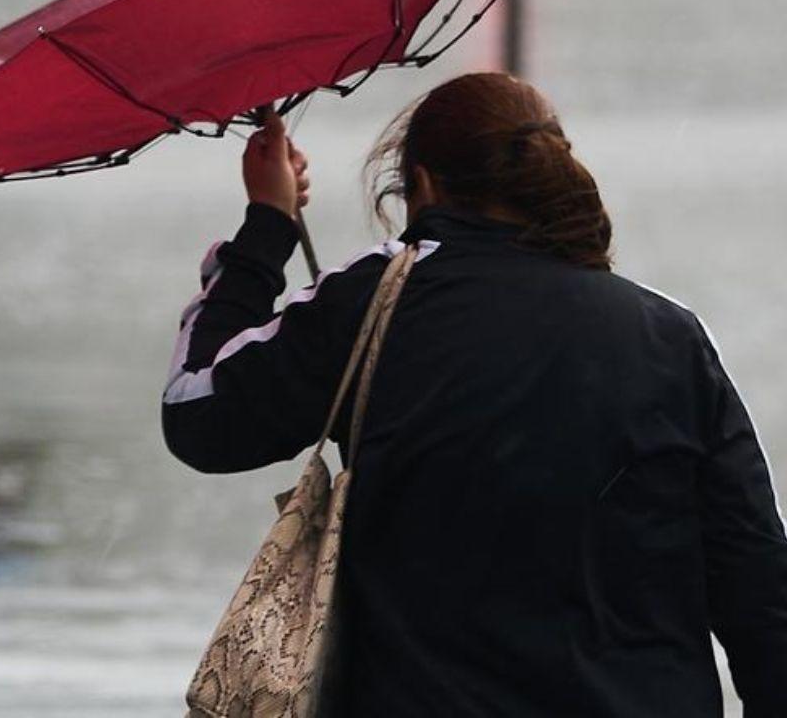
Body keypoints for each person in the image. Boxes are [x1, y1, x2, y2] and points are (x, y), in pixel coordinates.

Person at [163, 72, 787, 715]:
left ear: (423, 184)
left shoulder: (374, 299)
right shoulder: (670, 337)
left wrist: (267, 227)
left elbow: (198, 415)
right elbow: (758, 586)